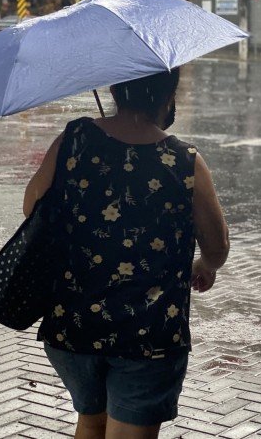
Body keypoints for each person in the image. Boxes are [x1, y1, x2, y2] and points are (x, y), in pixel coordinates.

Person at [22, 68, 230, 439]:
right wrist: (205, 265)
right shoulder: (185, 161)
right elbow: (217, 245)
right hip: (147, 333)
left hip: (73, 325)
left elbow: (32, 208)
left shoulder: (75, 139)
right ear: (170, 94)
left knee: (91, 421)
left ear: (116, 88)